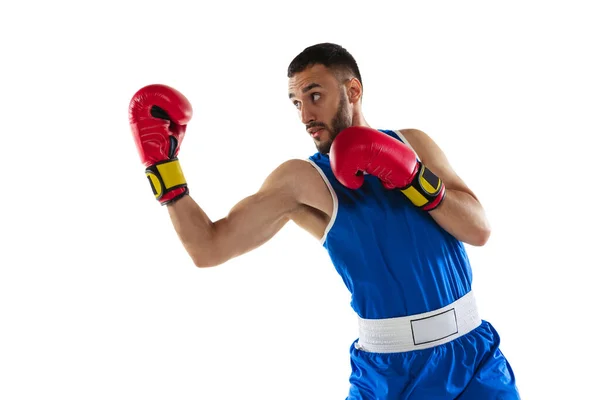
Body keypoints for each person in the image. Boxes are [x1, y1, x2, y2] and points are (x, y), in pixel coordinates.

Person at [128, 43, 520, 399]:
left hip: (474, 360)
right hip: (391, 375)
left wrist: (413, 178)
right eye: (296, 102)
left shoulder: (412, 143)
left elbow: (479, 229)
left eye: (314, 96)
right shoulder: (302, 180)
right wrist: (163, 168)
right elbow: (208, 248)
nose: (306, 115)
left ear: (352, 91)